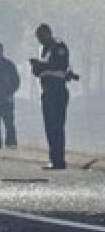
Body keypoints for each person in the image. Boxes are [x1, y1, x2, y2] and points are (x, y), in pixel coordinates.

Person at [30, 24, 71, 170]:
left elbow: (60, 65)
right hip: (47, 92)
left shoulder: (59, 46)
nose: (40, 40)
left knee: (57, 126)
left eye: (42, 36)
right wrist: (36, 67)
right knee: (49, 127)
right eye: (38, 38)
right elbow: (41, 71)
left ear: (49, 34)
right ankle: (53, 158)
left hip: (57, 91)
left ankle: (59, 160)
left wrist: (41, 65)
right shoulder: (43, 49)